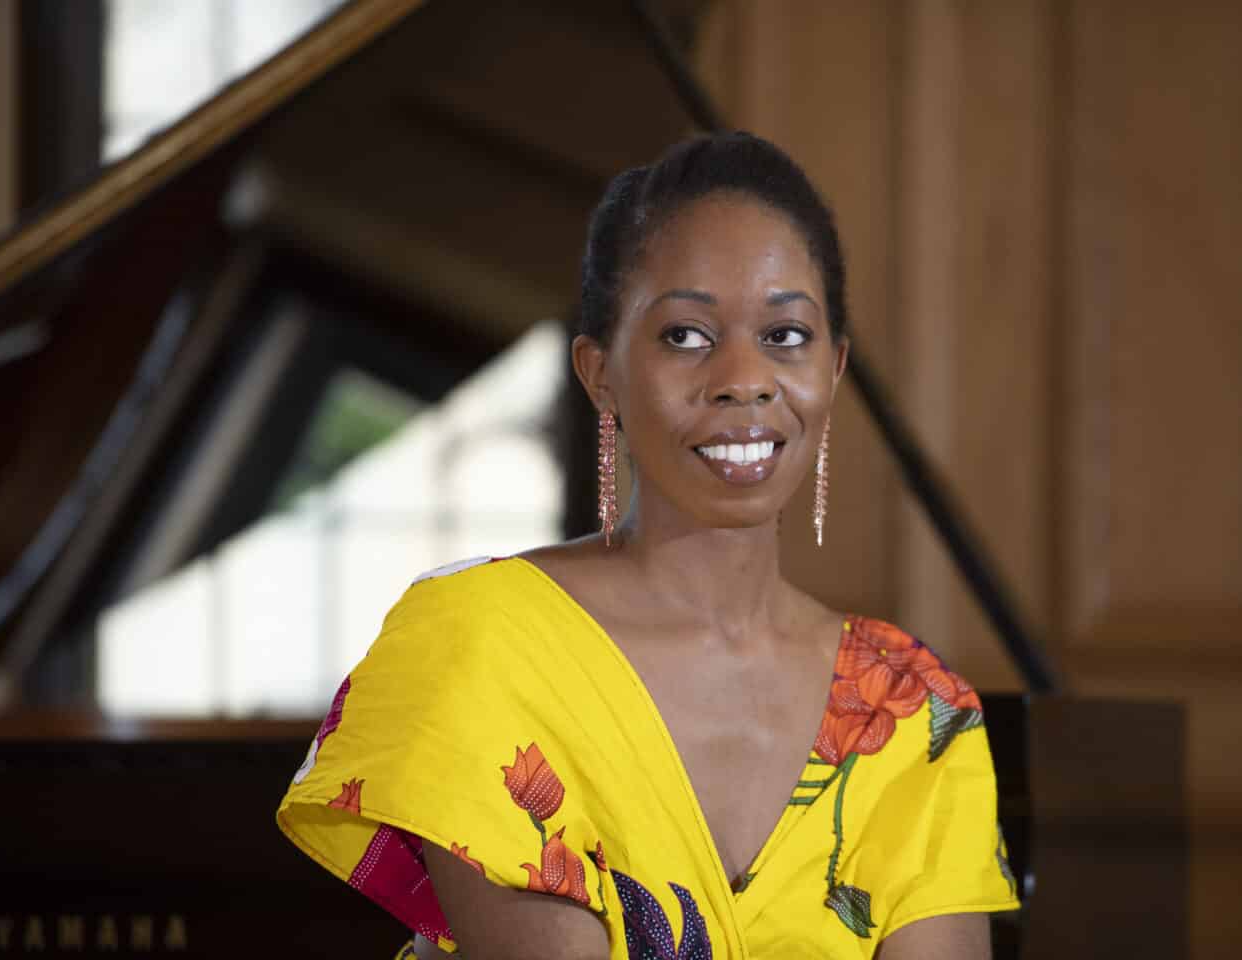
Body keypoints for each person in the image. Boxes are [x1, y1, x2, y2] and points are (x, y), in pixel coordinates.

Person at [276, 132, 1018, 959]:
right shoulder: (481, 645)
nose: (744, 377)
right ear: (601, 375)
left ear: (834, 370)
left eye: (786, 336)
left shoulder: (913, 708)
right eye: (687, 336)